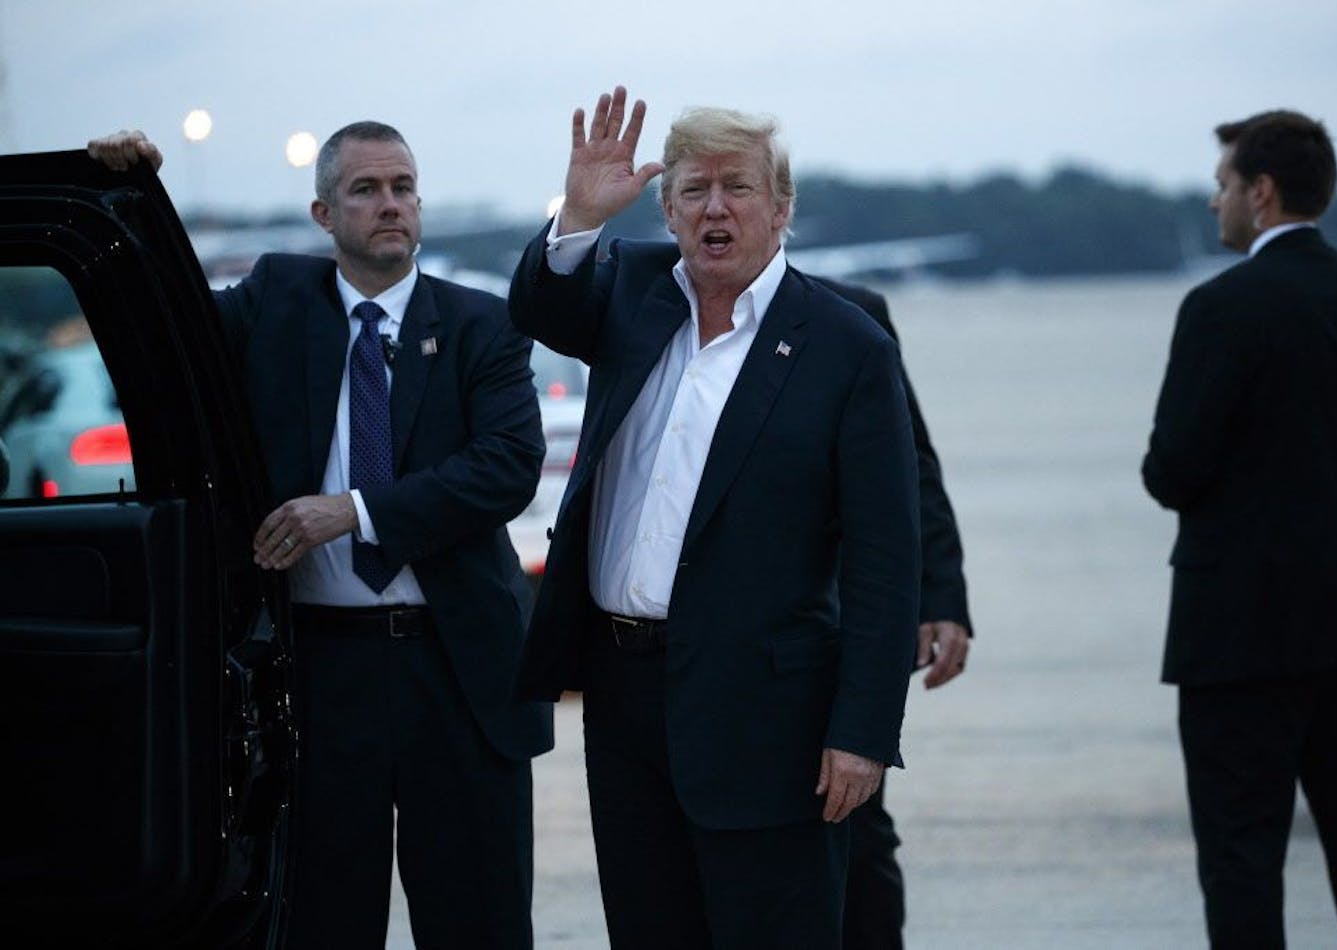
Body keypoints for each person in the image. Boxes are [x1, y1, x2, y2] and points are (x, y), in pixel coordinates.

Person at [87, 124, 552, 949]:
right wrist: (137, 192)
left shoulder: (482, 323)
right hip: (320, 672)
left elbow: (507, 468)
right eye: (367, 191)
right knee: (323, 918)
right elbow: (161, 325)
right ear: (323, 212)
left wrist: (354, 511)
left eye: (404, 187)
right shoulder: (274, 301)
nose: (391, 205)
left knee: (478, 917)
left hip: (457, 671)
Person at [508, 87, 921, 948]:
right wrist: (580, 213)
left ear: (781, 208)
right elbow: (538, 309)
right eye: (694, 190)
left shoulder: (845, 347)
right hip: (623, 700)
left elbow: (887, 559)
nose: (716, 208)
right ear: (666, 208)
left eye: (738, 187)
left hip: (769, 717)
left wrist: (864, 734)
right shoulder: (632, 291)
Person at [1142, 110, 1337, 948]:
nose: (1215, 200)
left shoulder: (1220, 308)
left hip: (1242, 634)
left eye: (1224, 184)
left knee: (1242, 857)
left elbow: (1172, 470)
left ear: (1261, 194)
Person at [815, 278, 972, 950]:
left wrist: (941, 594)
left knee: (855, 827)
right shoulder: (657, 305)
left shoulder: (851, 311)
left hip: (833, 622)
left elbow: (910, 464)